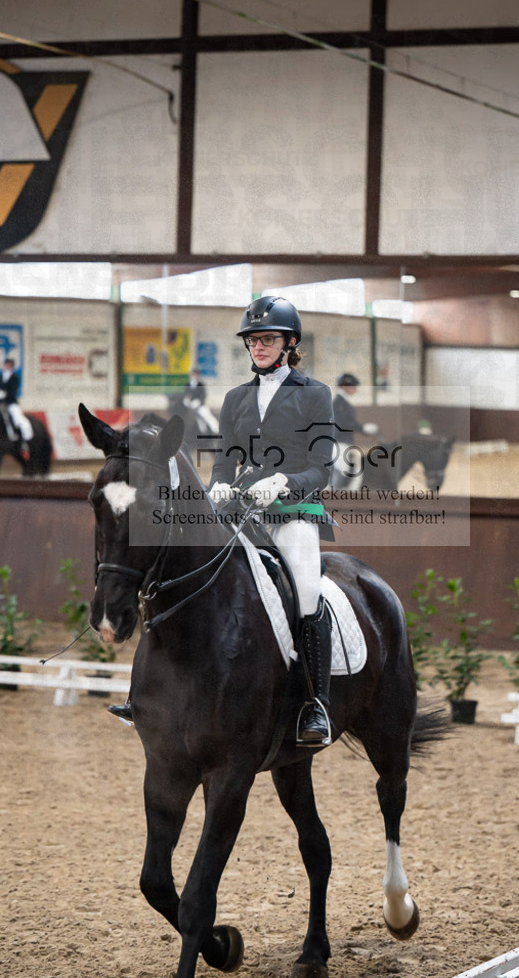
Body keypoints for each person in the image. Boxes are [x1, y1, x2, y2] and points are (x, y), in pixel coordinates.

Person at [208, 295, 336, 746]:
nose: (258, 347)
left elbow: (323, 468)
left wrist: (283, 481)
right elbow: (224, 460)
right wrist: (219, 485)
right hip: (242, 511)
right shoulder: (236, 398)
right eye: (253, 340)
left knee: (304, 591)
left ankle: (314, 704)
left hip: (293, 514)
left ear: (289, 342)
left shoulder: (315, 394)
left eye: (267, 340)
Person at [331, 373, 378, 489]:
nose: (355, 389)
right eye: (352, 386)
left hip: (345, 441)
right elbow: (343, 423)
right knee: (343, 469)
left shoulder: (344, 402)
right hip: (339, 441)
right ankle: (335, 494)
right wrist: (363, 428)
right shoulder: (339, 403)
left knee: (352, 468)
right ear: (344, 387)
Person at [0, 358, 33, 451]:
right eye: (5, 364)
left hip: (11, 403)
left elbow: (13, 391)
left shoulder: (15, 377)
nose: (6, 366)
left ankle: (25, 442)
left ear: (11, 366)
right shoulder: (0, 377)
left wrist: (5, 395)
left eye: (8, 365)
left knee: (18, 420)